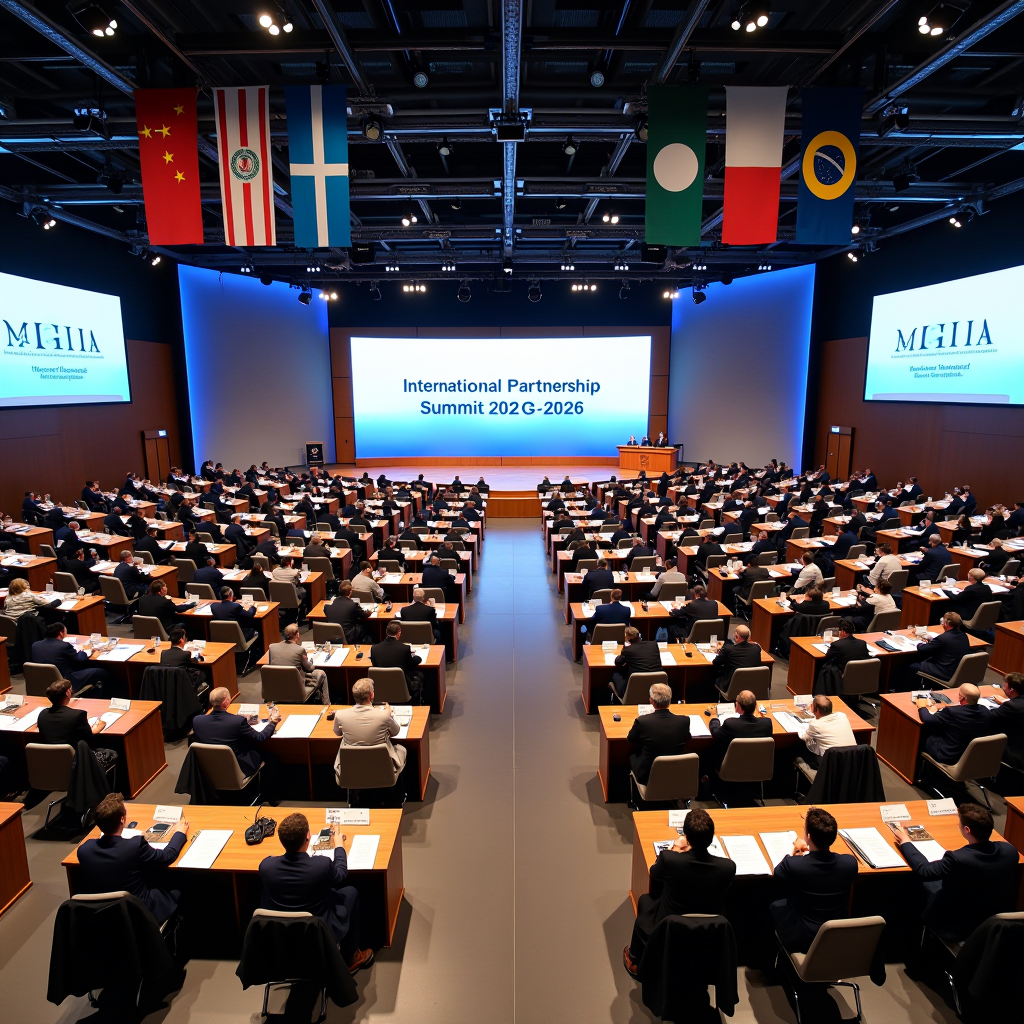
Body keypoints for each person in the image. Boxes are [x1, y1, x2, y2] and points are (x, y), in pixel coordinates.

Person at [622, 806, 734, 977]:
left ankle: (634, 960)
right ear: (711, 838)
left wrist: (674, 850)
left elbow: (654, 873)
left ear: (687, 838)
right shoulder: (728, 867)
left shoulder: (670, 859)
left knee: (645, 900)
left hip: (670, 928)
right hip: (708, 929)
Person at [259, 812, 374, 972]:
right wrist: (339, 846)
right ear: (308, 836)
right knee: (350, 892)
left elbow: (272, 861)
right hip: (319, 932)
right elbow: (341, 874)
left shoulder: (266, 866)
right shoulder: (321, 865)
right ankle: (351, 957)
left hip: (281, 933)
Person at [892, 802, 1019, 943]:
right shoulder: (1010, 850)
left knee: (913, 882)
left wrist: (906, 842)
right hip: (994, 917)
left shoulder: (958, 859)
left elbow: (924, 870)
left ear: (967, 830)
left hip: (957, 921)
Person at [76, 793, 189, 924]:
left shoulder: (84, 850)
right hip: (140, 914)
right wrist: (180, 832)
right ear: (122, 819)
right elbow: (168, 856)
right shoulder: (135, 846)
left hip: (104, 916)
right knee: (179, 886)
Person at [770, 806, 858, 953]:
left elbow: (778, 874)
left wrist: (795, 852)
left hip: (803, 939)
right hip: (837, 935)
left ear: (809, 836)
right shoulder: (850, 864)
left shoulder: (794, 865)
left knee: (774, 902)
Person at [191, 685, 280, 778]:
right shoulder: (237, 721)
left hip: (209, 768)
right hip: (235, 768)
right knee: (272, 758)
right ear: (226, 702)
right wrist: (273, 722)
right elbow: (260, 737)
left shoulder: (197, 721)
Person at [37, 678, 117, 770]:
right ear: (68, 693)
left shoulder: (42, 714)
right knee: (112, 752)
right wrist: (96, 728)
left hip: (50, 762)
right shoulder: (78, 715)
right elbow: (90, 742)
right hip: (78, 763)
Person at [333, 677, 406, 774]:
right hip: (382, 771)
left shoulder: (340, 714)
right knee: (401, 749)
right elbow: (395, 732)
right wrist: (388, 715)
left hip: (351, 772)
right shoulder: (384, 715)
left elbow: (338, 733)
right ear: (371, 695)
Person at [627, 683, 690, 785]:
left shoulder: (642, 721)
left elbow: (630, 739)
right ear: (669, 701)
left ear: (651, 701)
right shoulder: (684, 721)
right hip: (677, 772)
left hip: (648, 776)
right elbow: (687, 738)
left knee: (632, 753)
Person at [917, 682, 994, 765]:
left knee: (922, 735)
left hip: (948, 755)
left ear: (961, 698)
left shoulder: (953, 712)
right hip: (971, 756)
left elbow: (928, 719)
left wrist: (922, 706)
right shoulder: (986, 711)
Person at [31, 623, 114, 696]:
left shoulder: (35, 645)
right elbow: (80, 659)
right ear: (61, 633)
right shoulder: (64, 646)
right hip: (64, 680)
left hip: (42, 681)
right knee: (102, 672)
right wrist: (85, 652)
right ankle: (106, 698)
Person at [707, 689, 773, 770]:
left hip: (732, 769)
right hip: (758, 769)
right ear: (755, 706)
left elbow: (715, 733)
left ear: (738, 706)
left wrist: (714, 720)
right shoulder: (767, 724)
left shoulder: (730, 724)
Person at [906, 611, 971, 687]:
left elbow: (922, 649)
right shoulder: (964, 636)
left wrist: (919, 643)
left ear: (946, 624)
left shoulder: (943, 638)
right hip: (956, 670)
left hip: (944, 671)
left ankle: (910, 690)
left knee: (912, 666)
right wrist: (933, 641)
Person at [268, 623, 328, 702]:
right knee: (321, 673)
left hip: (277, 688)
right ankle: (327, 705)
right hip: (296, 688)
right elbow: (310, 668)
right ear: (297, 635)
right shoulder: (299, 650)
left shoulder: (272, 647)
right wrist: (310, 661)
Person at [370, 622, 424, 704]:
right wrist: (417, 657)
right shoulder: (404, 649)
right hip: (402, 686)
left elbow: (375, 665)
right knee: (421, 675)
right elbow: (411, 665)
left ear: (387, 632)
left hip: (382, 687)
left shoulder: (374, 648)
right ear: (399, 632)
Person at [796, 695, 857, 767]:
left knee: (799, 748)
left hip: (830, 764)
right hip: (852, 761)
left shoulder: (815, 725)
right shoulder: (842, 716)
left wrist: (799, 725)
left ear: (817, 710)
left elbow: (803, 737)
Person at [610, 626, 662, 700]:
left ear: (628, 638)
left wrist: (625, 647)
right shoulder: (653, 645)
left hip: (634, 690)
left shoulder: (628, 650)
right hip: (657, 690)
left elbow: (618, 662)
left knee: (615, 675)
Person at [711, 624, 762, 694]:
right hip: (752, 686)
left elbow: (715, 662)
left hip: (731, 687)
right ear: (748, 637)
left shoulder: (728, 649)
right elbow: (757, 645)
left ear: (736, 636)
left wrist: (721, 652)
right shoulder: (756, 648)